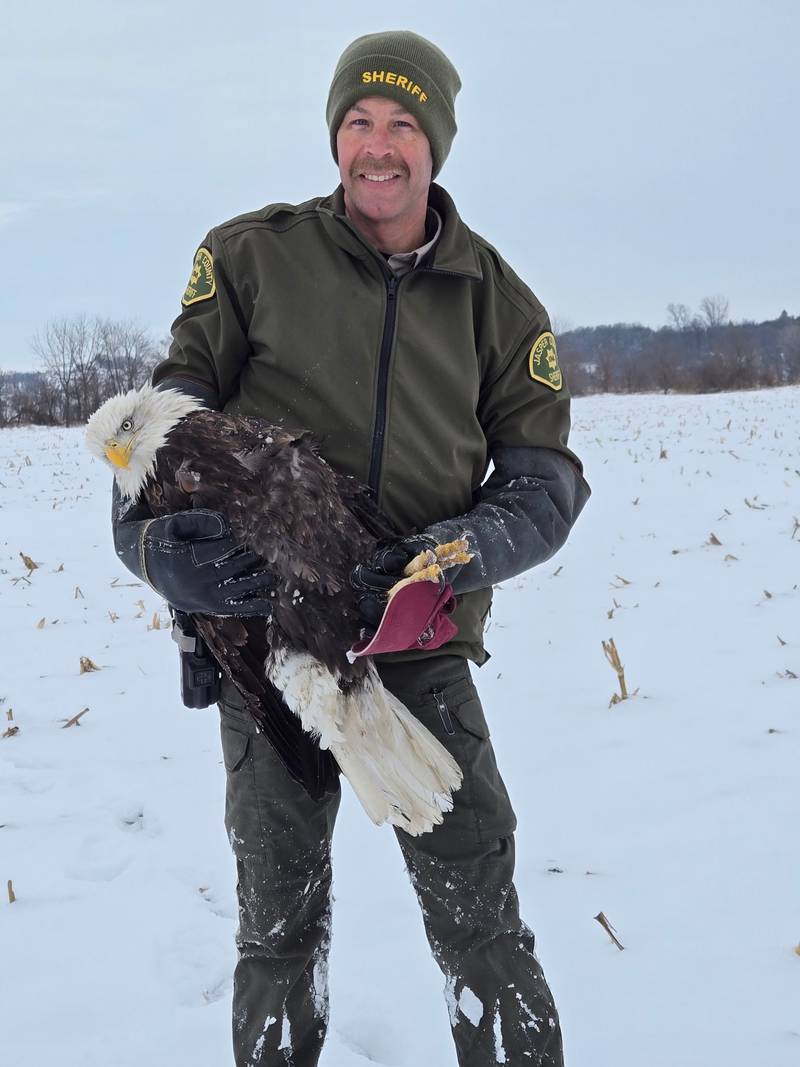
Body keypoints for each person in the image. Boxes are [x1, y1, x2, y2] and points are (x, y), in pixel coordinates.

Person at [113, 30, 590, 1066]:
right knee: (277, 932)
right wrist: (158, 551)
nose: (377, 146)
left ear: (436, 146)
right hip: (271, 648)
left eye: (402, 125)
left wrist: (458, 550)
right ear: (335, 137)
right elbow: (164, 422)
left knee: (484, 928)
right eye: (358, 123)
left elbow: (545, 482)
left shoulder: (496, 301)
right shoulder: (249, 258)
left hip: (415, 643)